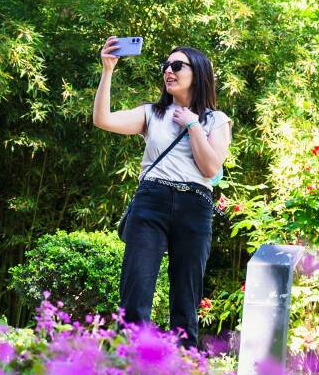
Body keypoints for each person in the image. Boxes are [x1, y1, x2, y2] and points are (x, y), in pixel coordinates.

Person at [92, 37, 232, 348]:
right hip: (152, 200)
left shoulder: (215, 120)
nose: (168, 71)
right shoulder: (151, 113)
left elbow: (210, 168)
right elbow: (102, 120)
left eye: (177, 66)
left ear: (197, 72)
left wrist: (194, 125)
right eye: (166, 66)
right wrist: (107, 71)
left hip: (195, 205)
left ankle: (182, 373)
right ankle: (130, 364)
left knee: (186, 294)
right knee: (136, 288)